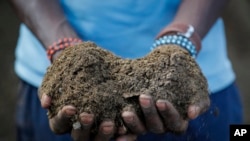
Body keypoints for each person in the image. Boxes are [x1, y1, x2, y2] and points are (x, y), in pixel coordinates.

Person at [9, 0, 243, 141]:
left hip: (186, 82)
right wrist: (64, 51)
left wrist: (182, 38)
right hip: (59, 83)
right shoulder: (67, 74)